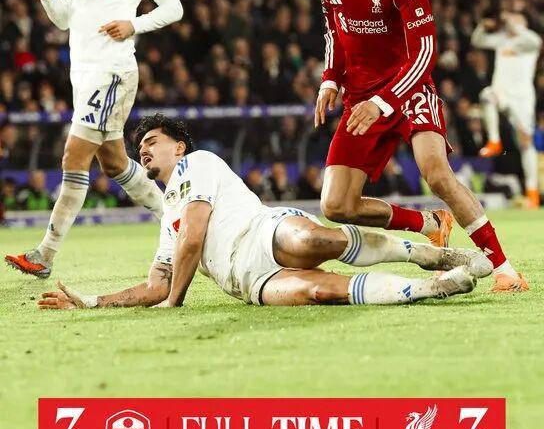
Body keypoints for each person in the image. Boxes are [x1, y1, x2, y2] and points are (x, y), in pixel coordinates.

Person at [38, 114, 492, 311]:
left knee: (312, 240)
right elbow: (156, 285)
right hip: (248, 280)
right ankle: (432, 287)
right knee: (321, 292)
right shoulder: (166, 224)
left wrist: (175, 300)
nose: (143, 150)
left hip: (261, 232)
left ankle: (426, 254)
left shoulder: (198, 164)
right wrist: (93, 301)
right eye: (140, 147)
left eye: (151, 142)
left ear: (178, 147)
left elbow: (192, 239)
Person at [312, 0, 527, 293]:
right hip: (361, 98)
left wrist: (384, 101)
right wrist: (330, 79)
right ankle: (429, 223)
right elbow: (333, 31)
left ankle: (504, 269)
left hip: (408, 91)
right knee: (336, 205)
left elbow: (425, 50)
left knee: (437, 174)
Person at [5, 0, 184, 279]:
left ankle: (45, 254)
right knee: (115, 163)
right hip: (83, 73)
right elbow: (64, 19)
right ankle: (178, 222)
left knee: (74, 156)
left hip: (112, 71)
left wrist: (133, 24)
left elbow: (174, 8)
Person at [472, 12, 542, 209]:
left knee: (526, 143)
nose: (511, 22)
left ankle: (532, 192)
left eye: (517, 19)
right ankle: (494, 141)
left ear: (524, 24)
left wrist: (512, 24)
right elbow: (477, 40)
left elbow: (536, 42)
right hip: (502, 92)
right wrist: (483, 26)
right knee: (487, 95)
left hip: (522, 97)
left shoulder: (528, 41)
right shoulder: (502, 40)